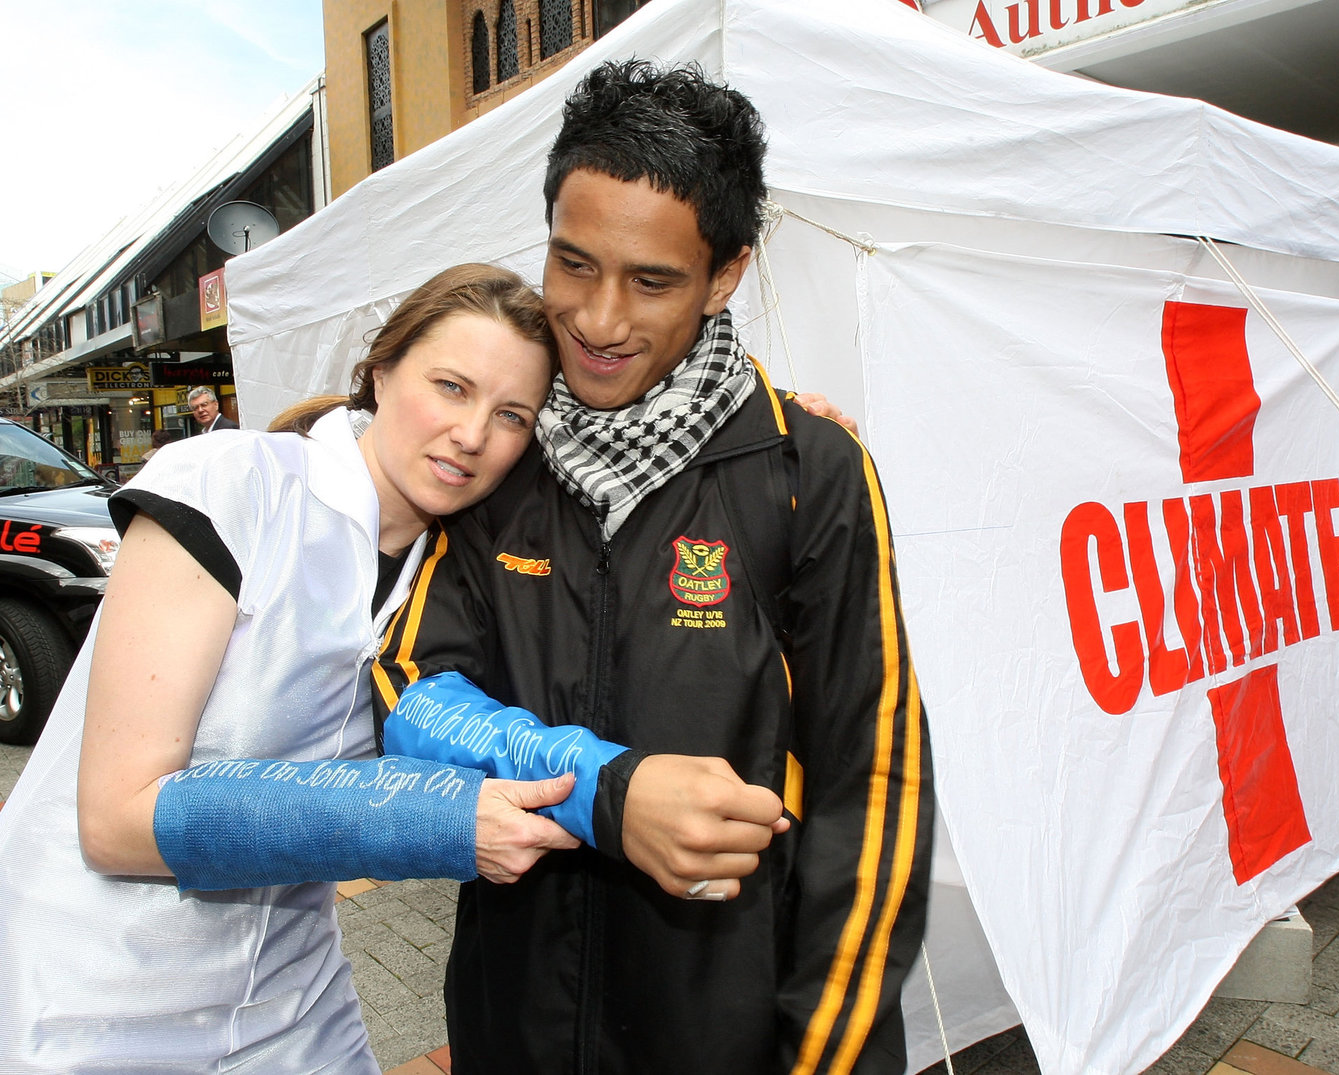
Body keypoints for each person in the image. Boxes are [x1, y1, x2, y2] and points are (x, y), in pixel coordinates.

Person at [375, 60, 934, 1074]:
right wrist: (605, 791)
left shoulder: (808, 470)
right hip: (517, 1031)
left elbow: (877, 787)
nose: (598, 318)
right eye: (574, 263)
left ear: (724, 275)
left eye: (653, 280)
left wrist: (828, 1057)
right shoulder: (503, 461)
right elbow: (409, 690)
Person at [0, 264, 600, 1074]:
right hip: (90, 999)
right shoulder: (229, 484)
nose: (471, 433)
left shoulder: (465, 578)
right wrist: (433, 819)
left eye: (511, 415)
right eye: (451, 387)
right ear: (382, 371)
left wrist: (782, 455)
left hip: (290, 1000)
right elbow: (117, 820)